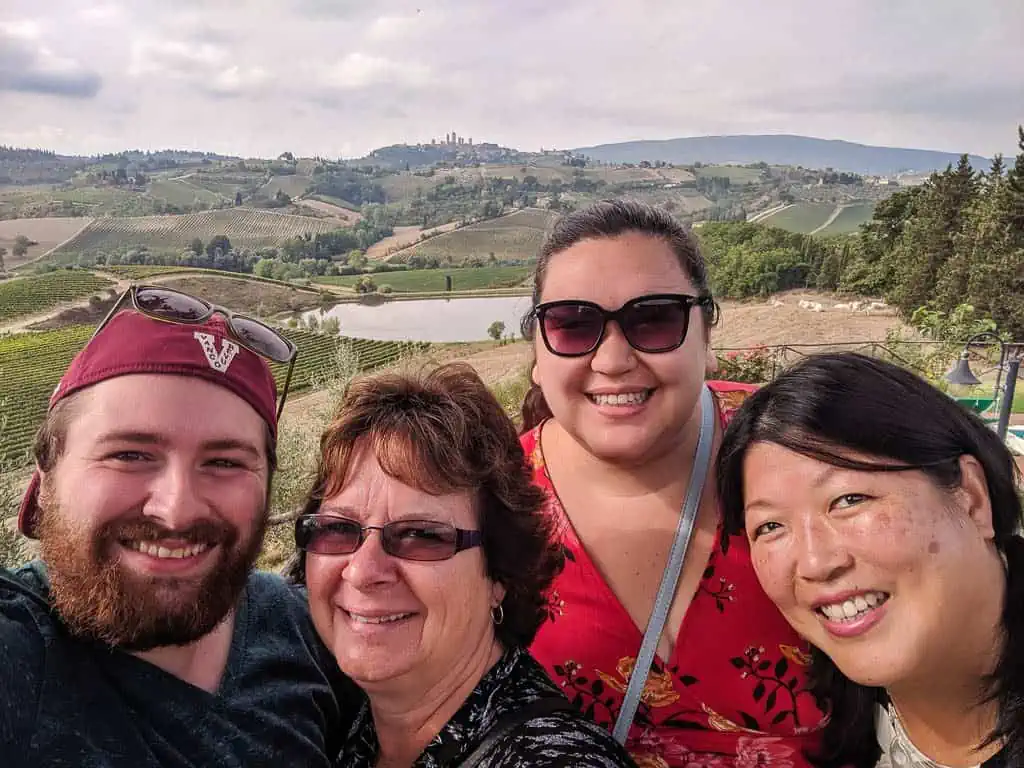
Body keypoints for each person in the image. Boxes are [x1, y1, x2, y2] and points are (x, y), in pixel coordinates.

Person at [518, 199, 828, 766]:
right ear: (538, 351)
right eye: (573, 324)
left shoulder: (801, 450)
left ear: (705, 334)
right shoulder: (489, 498)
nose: (612, 359)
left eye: (654, 318)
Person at [0, 284, 354, 766]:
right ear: (45, 478)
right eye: (130, 455)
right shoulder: (18, 651)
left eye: (225, 462)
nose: (176, 510)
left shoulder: (306, 628)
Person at [288, 362, 638, 767]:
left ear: (499, 575)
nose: (362, 571)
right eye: (338, 529)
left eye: (421, 535)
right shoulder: (344, 722)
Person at [717, 351, 1023, 768]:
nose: (815, 563)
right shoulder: (823, 710)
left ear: (971, 497)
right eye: (770, 527)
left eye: (849, 500)